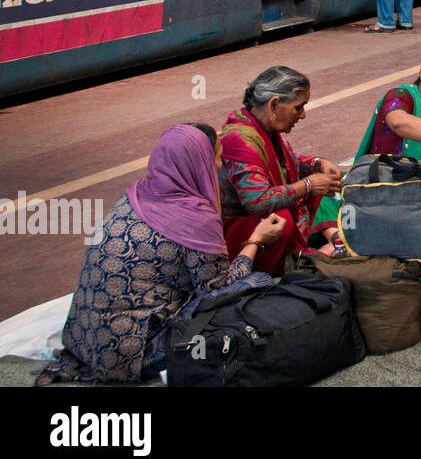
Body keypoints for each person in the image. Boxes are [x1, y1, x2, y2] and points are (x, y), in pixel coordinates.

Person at [37, 125, 285, 385]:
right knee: (258, 282)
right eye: (218, 158)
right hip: (129, 353)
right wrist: (255, 241)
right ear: (199, 164)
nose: (221, 166)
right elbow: (218, 289)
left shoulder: (136, 193)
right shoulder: (194, 217)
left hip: (83, 337)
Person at [220, 67, 342, 274]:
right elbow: (257, 200)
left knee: (329, 187)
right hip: (239, 231)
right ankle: (281, 267)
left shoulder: (263, 129)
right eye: (298, 107)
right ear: (274, 104)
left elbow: (285, 162)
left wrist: (315, 164)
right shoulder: (240, 141)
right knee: (281, 217)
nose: (302, 115)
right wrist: (309, 185)